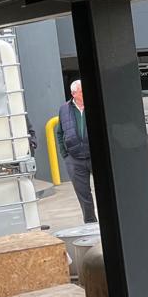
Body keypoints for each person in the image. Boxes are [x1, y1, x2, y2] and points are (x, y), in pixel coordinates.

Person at [58, 79, 96, 223]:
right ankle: (91, 222)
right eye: (81, 91)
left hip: (95, 156)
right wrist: (65, 154)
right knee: (83, 194)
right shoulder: (64, 109)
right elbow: (59, 132)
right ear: (73, 94)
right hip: (74, 159)